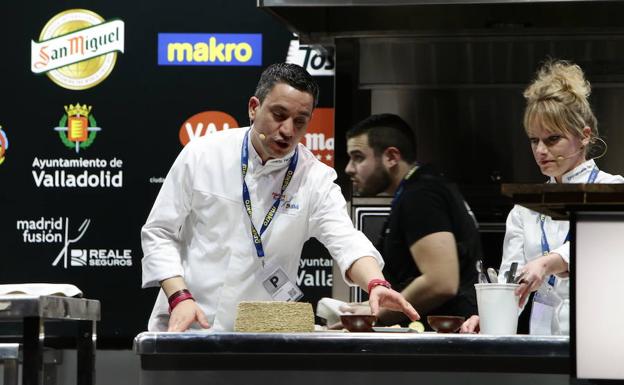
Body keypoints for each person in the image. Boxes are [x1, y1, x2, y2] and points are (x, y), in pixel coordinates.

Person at [141, 63, 418, 332]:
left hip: (260, 332)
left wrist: (375, 283)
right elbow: (160, 232)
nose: (287, 130)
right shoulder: (202, 154)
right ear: (253, 108)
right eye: (278, 114)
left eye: (300, 121)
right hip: (188, 321)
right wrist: (178, 296)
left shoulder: (315, 178)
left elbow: (346, 240)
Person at [461, 59, 624, 335]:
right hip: (544, 340)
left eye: (552, 139)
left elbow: (599, 247)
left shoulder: (614, 189)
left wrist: (546, 263)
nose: (540, 151)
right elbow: (511, 282)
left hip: (604, 336)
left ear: (584, 136)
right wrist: (488, 315)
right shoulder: (526, 209)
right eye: (534, 140)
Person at [343, 113, 481, 329]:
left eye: (358, 157)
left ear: (391, 157)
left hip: (443, 343)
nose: (349, 168)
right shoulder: (426, 187)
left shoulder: (421, 195)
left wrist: (377, 314)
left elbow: (441, 282)